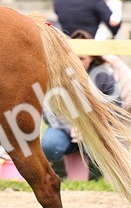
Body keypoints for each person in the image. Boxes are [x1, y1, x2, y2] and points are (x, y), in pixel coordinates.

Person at [41, 30, 121, 181]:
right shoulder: (58, 76)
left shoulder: (103, 76)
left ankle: (95, 178)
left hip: (96, 129)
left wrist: (90, 128)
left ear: (92, 57)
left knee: (101, 144)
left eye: (82, 58)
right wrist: (69, 127)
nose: (77, 62)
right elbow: (48, 109)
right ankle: (59, 175)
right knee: (49, 144)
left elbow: (115, 108)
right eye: (74, 58)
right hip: (63, 129)